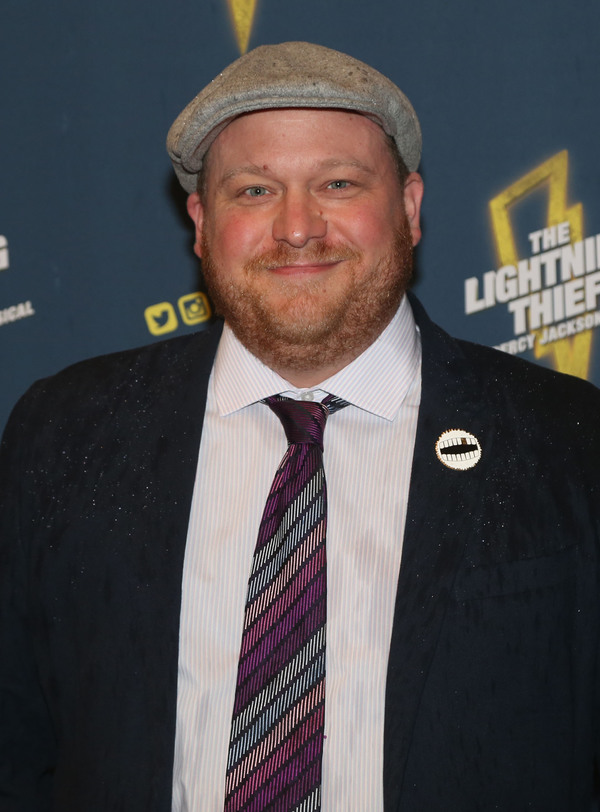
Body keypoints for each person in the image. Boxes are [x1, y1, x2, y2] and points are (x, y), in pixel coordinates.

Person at [0, 41, 598, 812]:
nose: (296, 228)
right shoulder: (65, 434)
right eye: (253, 191)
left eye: (338, 184)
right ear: (201, 222)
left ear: (409, 209)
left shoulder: (570, 442)